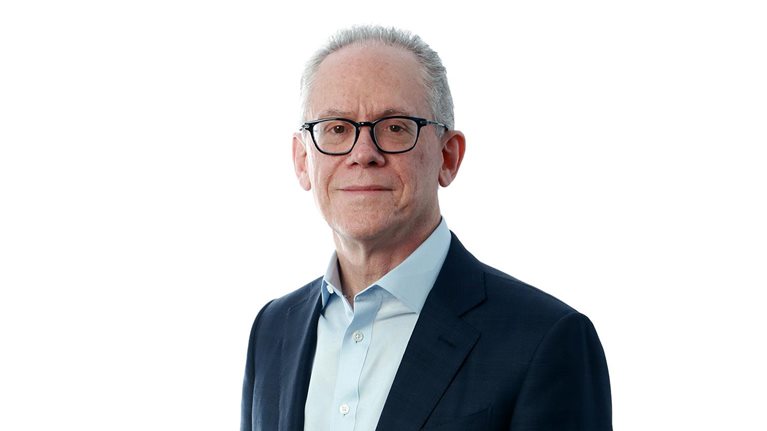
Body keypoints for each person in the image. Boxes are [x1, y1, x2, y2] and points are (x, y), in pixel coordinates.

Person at [241, 25, 612, 431]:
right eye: (337, 128)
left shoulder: (545, 340)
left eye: (395, 127)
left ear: (448, 157)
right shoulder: (273, 329)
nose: (363, 153)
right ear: (302, 160)